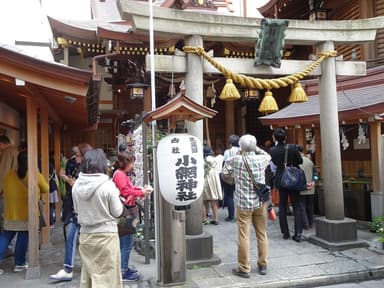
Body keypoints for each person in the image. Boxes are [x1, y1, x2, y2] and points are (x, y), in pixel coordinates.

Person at [72, 148, 124, 288]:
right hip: (106, 236)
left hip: (86, 236)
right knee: (108, 277)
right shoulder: (108, 186)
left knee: (89, 275)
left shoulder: (76, 186)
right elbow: (118, 211)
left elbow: (77, 210)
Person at [227, 134, 271, 278]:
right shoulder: (262, 159)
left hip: (243, 203)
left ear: (241, 147)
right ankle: (263, 264)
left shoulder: (236, 160)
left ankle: (244, 268)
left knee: (243, 235)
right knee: (262, 234)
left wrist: (241, 151)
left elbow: (226, 169)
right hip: (260, 202)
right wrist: (255, 147)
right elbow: (267, 155)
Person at [0, 150, 49, 276]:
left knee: (5, 237)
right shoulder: (35, 175)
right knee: (23, 237)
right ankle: (19, 263)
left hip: (11, 212)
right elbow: (46, 188)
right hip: (27, 212)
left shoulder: (9, 174)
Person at [49, 143, 92, 282]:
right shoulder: (84, 168)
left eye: (78, 155)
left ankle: (73, 269)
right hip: (78, 209)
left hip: (85, 210)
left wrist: (68, 180)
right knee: (73, 238)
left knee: (83, 240)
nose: (75, 157)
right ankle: (68, 268)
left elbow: (83, 188)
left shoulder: (88, 170)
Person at [112, 151, 152, 282]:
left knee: (126, 241)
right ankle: (123, 271)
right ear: (126, 163)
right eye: (131, 162)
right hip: (126, 212)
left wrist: (140, 189)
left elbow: (129, 189)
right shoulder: (120, 175)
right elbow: (126, 191)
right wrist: (141, 192)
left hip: (127, 210)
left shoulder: (121, 174)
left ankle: (123, 267)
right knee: (127, 242)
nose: (132, 165)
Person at [269, 128, 304, 242]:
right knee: (297, 205)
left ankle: (285, 233)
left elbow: (274, 163)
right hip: (293, 177)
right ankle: (298, 233)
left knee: (282, 206)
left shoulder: (272, 150)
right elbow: (300, 161)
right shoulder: (293, 148)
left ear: (274, 138)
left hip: (281, 178)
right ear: (285, 137)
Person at [0, 135, 18, 233]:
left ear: (2, 144)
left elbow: (3, 172)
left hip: (6, 189)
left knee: (4, 215)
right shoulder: (16, 151)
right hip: (15, 188)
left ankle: (5, 242)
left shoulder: (7, 152)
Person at [202, 145, 223, 225]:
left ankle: (204, 219)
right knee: (214, 201)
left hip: (204, 180)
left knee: (203, 201)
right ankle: (216, 219)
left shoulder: (201, 160)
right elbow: (220, 166)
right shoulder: (216, 159)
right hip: (214, 180)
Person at [222, 134, 240, 222]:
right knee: (240, 195)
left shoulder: (227, 152)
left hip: (229, 176)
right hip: (240, 176)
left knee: (229, 196)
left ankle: (231, 216)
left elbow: (224, 164)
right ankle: (241, 215)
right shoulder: (242, 151)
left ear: (231, 143)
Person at [297, 145, 316, 229]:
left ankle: (305, 224)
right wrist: (313, 181)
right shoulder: (310, 161)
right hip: (311, 188)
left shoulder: (296, 162)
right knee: (310, 206)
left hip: (301, 188)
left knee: (302, 206)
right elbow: (315, 174)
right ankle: (311, 223)